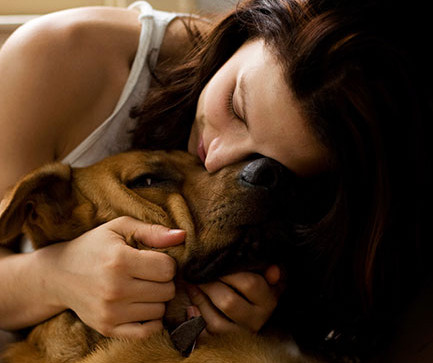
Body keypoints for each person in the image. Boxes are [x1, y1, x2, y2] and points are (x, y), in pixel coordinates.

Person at [0, 0, 431, 361]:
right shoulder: (60, 56)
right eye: (236, 107)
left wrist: (264, 312)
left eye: (263, 165)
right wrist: (55, 278)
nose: (219, 157)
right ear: (247, 29)